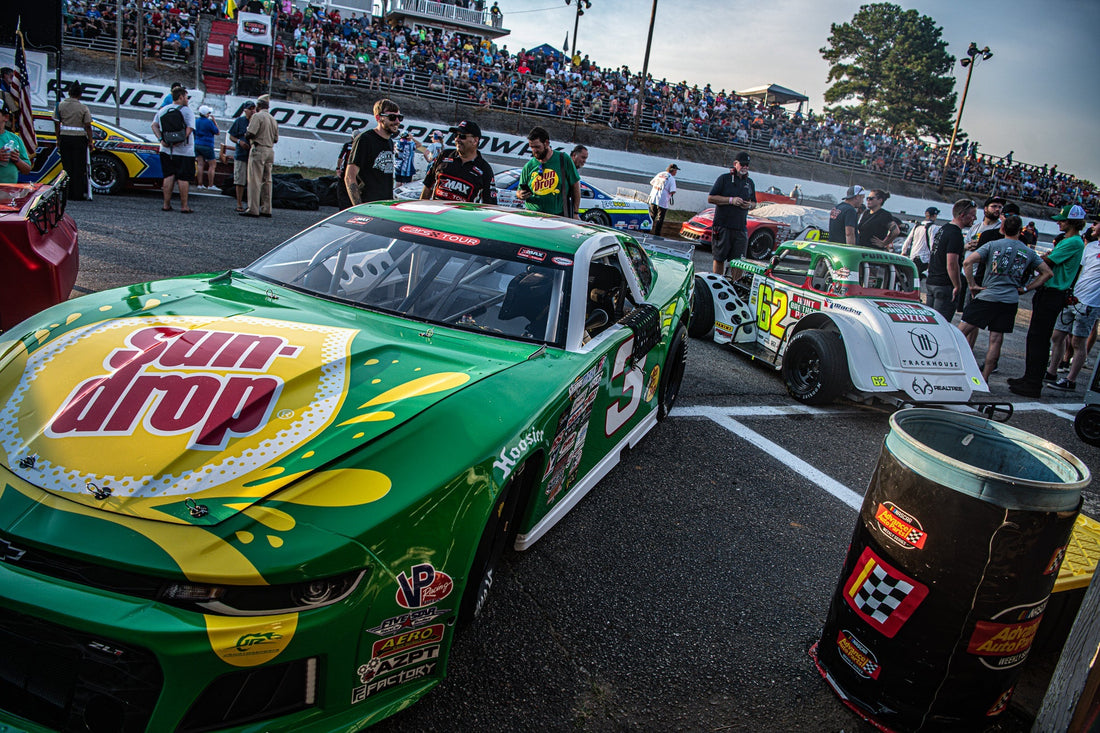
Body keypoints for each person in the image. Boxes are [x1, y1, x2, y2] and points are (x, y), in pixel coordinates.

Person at [1008, 205, 1088, 398]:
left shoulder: (1073, 242)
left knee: (1039, 339)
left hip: (1053, 293)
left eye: (1062, 220)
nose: (1058, 222)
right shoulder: (1069, 240)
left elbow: (1047, 261)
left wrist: (1029, 257)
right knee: (1035, 337)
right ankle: (1029, 377)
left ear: (1072, 222)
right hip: (1049, 292)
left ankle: (1033, 383)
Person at [958, 215, 1051, 380]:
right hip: (1009, 300)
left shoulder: (993, 245)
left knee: (960, 332)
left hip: (988, 295)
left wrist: (972, 285)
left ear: (1002, 229)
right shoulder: (1028, 251)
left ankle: (952, 367)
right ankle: (985, 377)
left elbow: (967, 262)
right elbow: (1047, 273)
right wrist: (1026, 288)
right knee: (996, 340)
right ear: (1020, 231)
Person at [1047, 216, 1100, 392]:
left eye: (1097, 224)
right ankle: (1052, 371)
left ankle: (1071, 380)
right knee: (1057, 335)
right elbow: (1080, 270)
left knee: (1078, 341)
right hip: (1075, 297)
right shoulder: (1091, 246)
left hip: (1091, 302)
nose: (1094, 226)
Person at [705, 151, 756, 279]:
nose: (745, 167)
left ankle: (735, 286)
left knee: (738, 261)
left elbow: (754, 202)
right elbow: (711, 198)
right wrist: (730, 200)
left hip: (740, 227)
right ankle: (717, 282)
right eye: (742, 164)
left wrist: (749, 205)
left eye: (747, 165)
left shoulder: (750, 182)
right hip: (722, 225)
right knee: (719, 257)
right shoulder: (724, 178)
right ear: (735, 164)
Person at [420, 119, 496, 203]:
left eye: (462, 136)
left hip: (462, 215)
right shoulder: (444, 155)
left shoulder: (484, 169)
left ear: (475, 141)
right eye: (456, 135)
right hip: (437, 214)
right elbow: (428, 185)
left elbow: (490, 204)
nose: (457, 139)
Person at [924, 198, 977, 321]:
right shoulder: (955, 234)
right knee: (940, 324)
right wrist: (957, 286)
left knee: (930, 322)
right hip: (945, 285)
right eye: (973, 215)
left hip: (932, 281)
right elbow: (952, 264)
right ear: (962, 215)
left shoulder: (943, 229)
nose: (974, 219)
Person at [344, 98, 400, 206]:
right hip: (368, 205)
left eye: (399, 117)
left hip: (384, 205)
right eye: (392, 117)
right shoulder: (365, 139)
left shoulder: (390, 142)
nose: (397, 121)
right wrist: (359, 207)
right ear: (378, 118)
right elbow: (350, 176)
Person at [514, 126, 580, 218]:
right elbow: (518, 191)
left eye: (537, 147)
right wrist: (520, 195)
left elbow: (575, 185)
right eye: (532, 147)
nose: (534, 151)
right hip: (532, 215)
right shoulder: (529, 166)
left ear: (546, 143)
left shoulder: (563, 159)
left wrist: (575, 212)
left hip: (557, 216)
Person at [151, 86, 196, 213]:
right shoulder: (187, 111)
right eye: (186, 97)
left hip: (165, 149)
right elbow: (189, 129)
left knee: (168, 176)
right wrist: (178, 141)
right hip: (185, 151)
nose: (187, 100)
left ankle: (166, 204)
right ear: (181, 97)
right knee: (183, 178)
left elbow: (154, 125)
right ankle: (184, 206)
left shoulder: (163, 110)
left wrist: (161, 140)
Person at [54, 81, 94, 201]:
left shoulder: (60, 105)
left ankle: (66, 192)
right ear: (80, 94)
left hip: (65, 137)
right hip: (79, 138)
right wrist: (91, 140)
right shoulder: (83, 107)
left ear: (69, 93)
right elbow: (88, 125)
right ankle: (77, 193)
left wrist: (58, 138)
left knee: (67, 166)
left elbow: (56, 123)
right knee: (79, 166)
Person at [241, 94, 278, 217]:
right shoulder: (273, 119)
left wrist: (247, 134)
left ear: (258, 105)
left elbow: (250, 133)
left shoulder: (257, 116)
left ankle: (253, 208)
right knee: (267, 181)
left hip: (258, 148)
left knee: (254, 180)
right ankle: (267, 208)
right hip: (270, 149)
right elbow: (276, 139)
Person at [227, 100, 255, 212]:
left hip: (253, 156)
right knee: (239, 180)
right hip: (241, 154)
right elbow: (231, 136)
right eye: (250, 109)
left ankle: (251, 204)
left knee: (253, 181)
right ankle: (239, 203)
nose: (252, 111)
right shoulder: (239, 121)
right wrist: (239, 142)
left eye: (254, 109)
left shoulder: (257, 121)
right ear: (245, 110)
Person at [900, 206, 939, 277]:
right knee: (918, 281)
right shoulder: (933, 228)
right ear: (934, 215)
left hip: (913, 256)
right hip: (923, 259)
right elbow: (933, 245)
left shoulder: (917, 226)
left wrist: (903, 252)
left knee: (910, 278)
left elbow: (908, 240)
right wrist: (932, 261)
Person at [0, 105, 32, 183]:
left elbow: (26, 170)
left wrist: (17, 160)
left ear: (6, 117)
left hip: (10, 190)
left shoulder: (15, 139)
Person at [647, 163, 678, 237]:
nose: (676, 172)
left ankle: (646, 230)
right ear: (673, 170)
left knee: (652, 215)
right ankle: (657, 234)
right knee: (660, 218)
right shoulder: (671, 179)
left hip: (653, 197)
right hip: (663, 200)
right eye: (676, 170)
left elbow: (652, 182)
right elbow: (673, 190)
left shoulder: (660, 174)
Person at [194, 105, 219, 190]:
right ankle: (211, 185)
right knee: (212, 165)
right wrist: (214, 121)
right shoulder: (209, 122)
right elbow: (217, 132)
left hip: (197, 144)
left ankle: (200, 184)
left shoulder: (196, 121)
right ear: (206, 114)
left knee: (200, 164)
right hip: (207, 145)